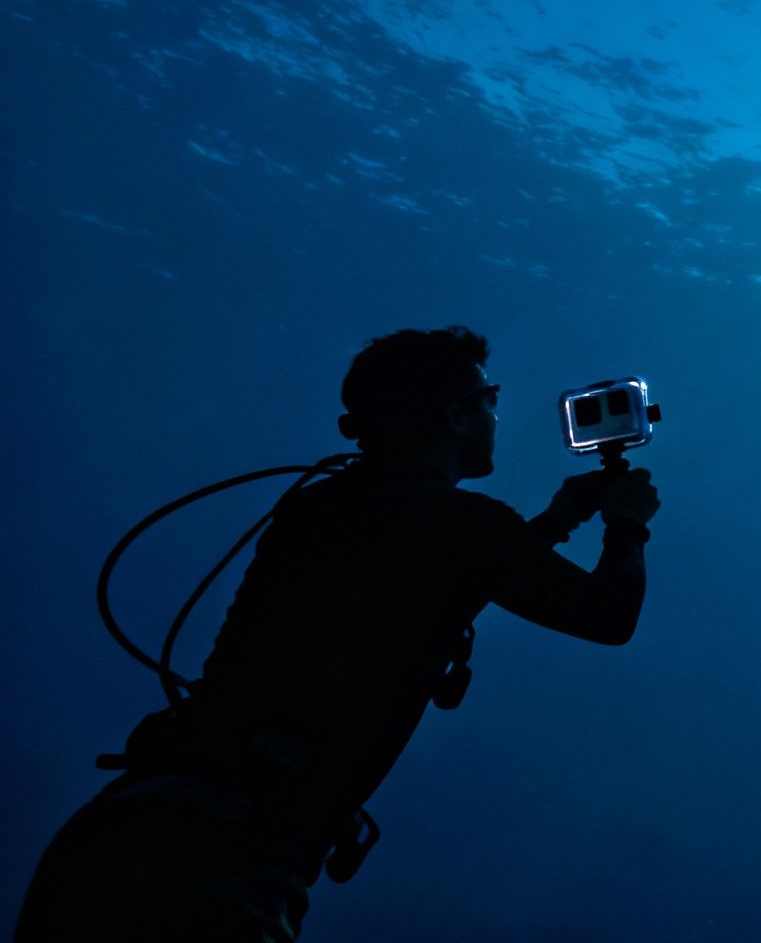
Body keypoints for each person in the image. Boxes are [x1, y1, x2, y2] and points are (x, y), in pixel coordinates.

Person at [15, 326, 659, 942]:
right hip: (231, 847)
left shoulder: (319, 505)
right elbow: (608, 617)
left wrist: (558, 518)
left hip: (123, 823)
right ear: (456, 416)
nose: (496, 415)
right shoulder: (462, 526)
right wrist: (626, 524)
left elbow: (427, 578)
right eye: (488, 400)